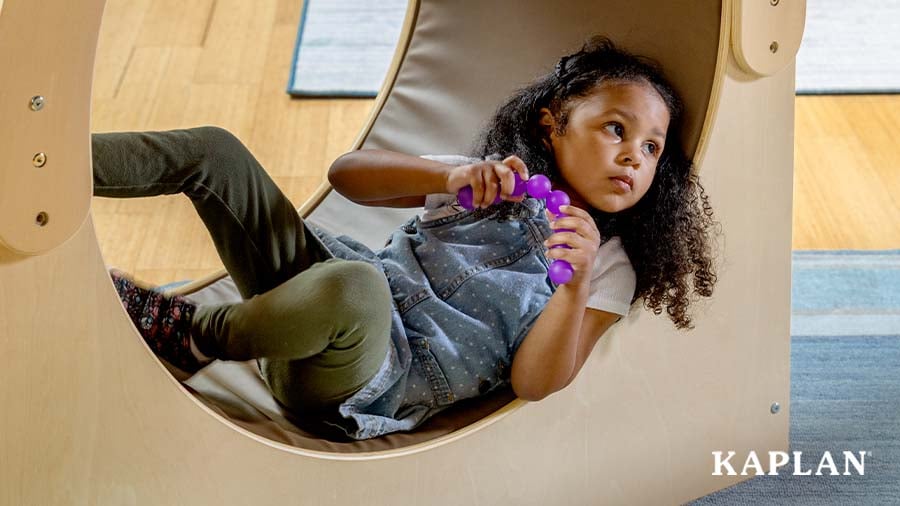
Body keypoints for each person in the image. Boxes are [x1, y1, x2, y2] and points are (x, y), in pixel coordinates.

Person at [97, 36, 719, 441]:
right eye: (616, 128)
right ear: (553, 125)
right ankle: (42, 170)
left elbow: (537, 381)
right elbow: (346, 175)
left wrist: (574, 283)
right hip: (308, 297)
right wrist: (448, 175)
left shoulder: (607, 263)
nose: (634, 157)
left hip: (355, 377)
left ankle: (194, 336)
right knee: (216, 152)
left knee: (357, 286)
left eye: (653, 148)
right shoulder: (497, 178)